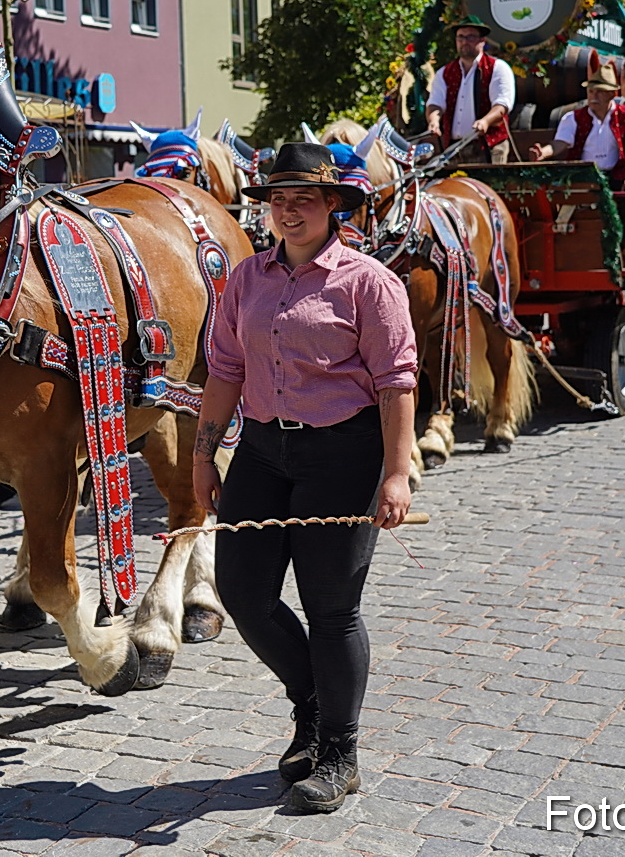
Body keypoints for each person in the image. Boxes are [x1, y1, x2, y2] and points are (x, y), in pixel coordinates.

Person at [192, 142, 417, 815]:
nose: (288, 211)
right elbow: (225, 370)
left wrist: (398, 472)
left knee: (331, 607)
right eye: (278, 199)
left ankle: (340, 753)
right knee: (242, 590)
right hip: (262, 452)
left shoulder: (370, 282)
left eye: (304, 200)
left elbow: (396, 382)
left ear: (332, 208)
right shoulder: (246, 278)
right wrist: (204, 456)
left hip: (343, 458)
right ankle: (311, 702)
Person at [528, 63, 625, 199]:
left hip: (617, 179)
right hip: (583, 178)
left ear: (612, 94)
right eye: (590, 91)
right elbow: (558, 144)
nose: (593, 96)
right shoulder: (573, 118)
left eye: (599, 91)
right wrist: (543, 152)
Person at [425, 16, 515, 162]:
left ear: (482, 41)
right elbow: (435, 103)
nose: (464, 42)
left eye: (470, 37)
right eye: (460, 37)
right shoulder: (444, 72)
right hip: (454, 148)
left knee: (487, 185)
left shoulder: (497, 68)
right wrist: (434, 121)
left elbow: (502, 104)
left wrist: (485, 121)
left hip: (489, 147)